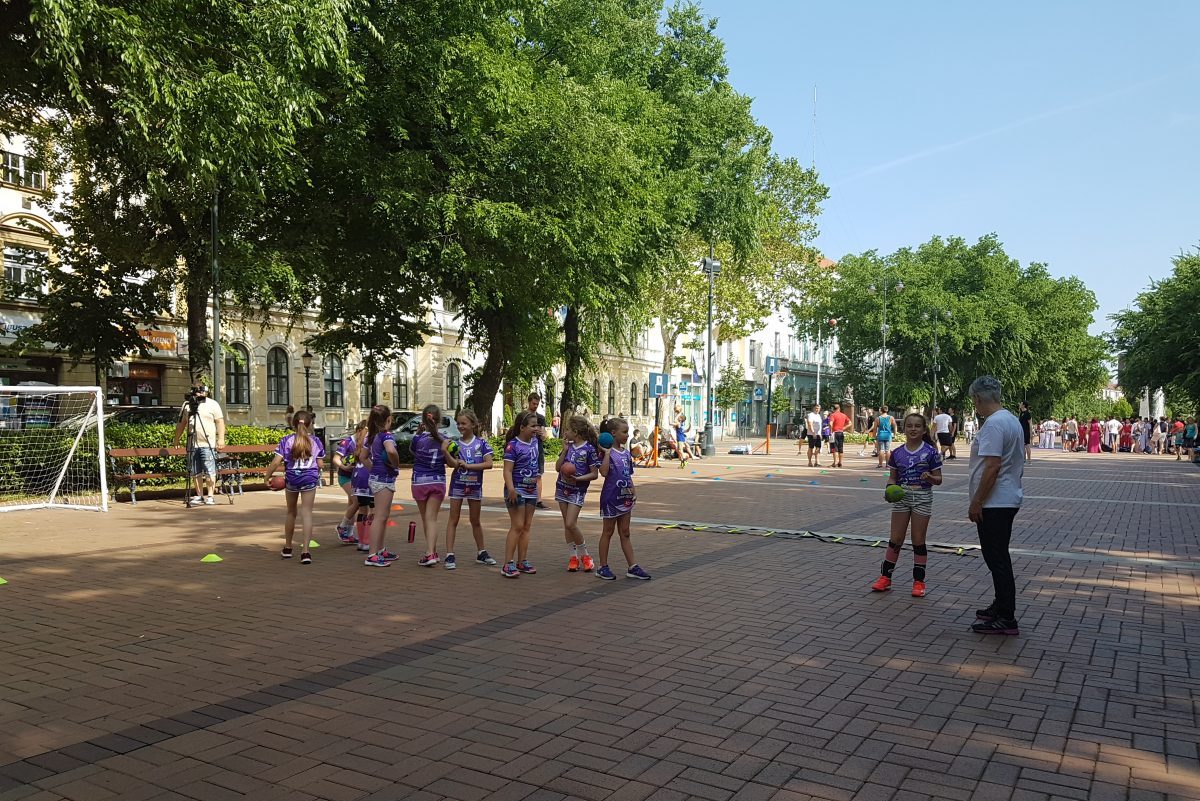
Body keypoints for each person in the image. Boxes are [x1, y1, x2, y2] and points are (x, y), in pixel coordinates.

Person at [967, 376, 1025, 635]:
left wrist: (977, 501)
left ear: (978, 398)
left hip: (995, 501)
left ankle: (1006, 616)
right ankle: (1001, 605)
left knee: (997, 558)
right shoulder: (1011, 419)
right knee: (997, 556)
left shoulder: (993, 424)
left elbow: (992, 466)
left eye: (974, 401)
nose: (975, 405)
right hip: (1006, 497)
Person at [871, 413, 943, 597]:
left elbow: (939, 479)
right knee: (896, 539)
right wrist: (889, 490)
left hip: (922, 497)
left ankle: (919, 581)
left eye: (917, 426)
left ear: (924, 430)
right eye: (909, 426)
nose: (913, 429)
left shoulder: (931, 452)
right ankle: (885, 578)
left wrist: (930, 477)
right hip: (901, 498)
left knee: (918, 539)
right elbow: (892, 478)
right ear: (904, 429)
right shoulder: (897, 453)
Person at [264, 410, 325, 564]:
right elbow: (320, 464)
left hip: (292, 478)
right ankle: (305, 552)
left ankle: (288, 547)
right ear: (310, 424)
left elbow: (276, 462)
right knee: (307, 513)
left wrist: (267, 477)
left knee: (291, 512)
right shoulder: (316, 441)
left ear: (293, 424)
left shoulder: (286, 440)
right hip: (309, 478)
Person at [595, 418, 650, 581]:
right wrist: (606, 453)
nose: (627, 435)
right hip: (611, 497)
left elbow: (628, 475)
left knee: (625, 532)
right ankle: (602, 567)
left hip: (625, 498)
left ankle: (633, 566)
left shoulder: (626, 454)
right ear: (613, 433)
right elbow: (604, 472)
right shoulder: (606, 453)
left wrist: (633, 491)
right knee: (608, 531)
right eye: (624, 432)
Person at [444, 409, 497, 569]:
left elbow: (489, 463)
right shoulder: (454, 444)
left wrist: (469, 466)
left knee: (475, 520)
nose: (460, 426)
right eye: (458, 423)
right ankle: (449, 554)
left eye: (464, 423)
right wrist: (445, 452)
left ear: (473, 425)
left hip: (475, 486)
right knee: (453, 519)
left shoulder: (481, 443)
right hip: (458, 485)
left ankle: (482, 552)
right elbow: (452, 464)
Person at [555, 415, 602, 573]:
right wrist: (564, 451)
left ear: (575, 432)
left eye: (568, 429)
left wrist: (578, 479)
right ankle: (573, 557)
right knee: (566, 524)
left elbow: (594, 474)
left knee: (571, 524)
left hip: (577, 491)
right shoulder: (568, 447)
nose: (565, 432)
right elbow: (558, 467)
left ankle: (585, 555)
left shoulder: (589, 449)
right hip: (562, 487)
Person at [501, 410, 543, 578]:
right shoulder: (513, 445)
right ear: (522, 427)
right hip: (517, 489)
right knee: (517, 525)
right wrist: (511, 489)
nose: (536, 428)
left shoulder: (535, 442)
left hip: (531, 490)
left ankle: (522, 560)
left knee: (526, 526)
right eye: (532, 426)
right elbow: (507, 470)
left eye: (537, 425)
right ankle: (507, 563)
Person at [172, 383, 226, 506]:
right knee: (195, 471)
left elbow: (220, 422)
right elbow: (181, 424)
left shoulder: (213, 404)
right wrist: (176, 439)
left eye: (202, 391)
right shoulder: (187, 405)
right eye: (197, 391)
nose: (200, 394)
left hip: (208, 443)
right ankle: (199, 495)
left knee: (209, 470)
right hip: (192, 444)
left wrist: (221, 439)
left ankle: (210, 496)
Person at [360, 404, 401, 567]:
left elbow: (363, 457)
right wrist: (395, 464)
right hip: (384, 479)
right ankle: (372, 554)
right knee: (380, 517)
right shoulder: (386, 436)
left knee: (382, 516)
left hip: (377, 477)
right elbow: (391, 451)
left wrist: (373, 470)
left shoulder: (371, 436)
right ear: (388, 419)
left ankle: (380, 549)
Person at [410, 404, 449, 567]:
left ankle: (430, 552)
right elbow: (448, 458)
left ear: (423, 421)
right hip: (438, 480)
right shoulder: (445, 439)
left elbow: (412, 452)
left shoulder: (418, 439)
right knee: (432, 518)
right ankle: (432, 551)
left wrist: (417, 433)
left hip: (419, 481)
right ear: (439, 420)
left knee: (426, 519)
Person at [332, 421, 367, 544]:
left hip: (357, 477)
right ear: (359, 431)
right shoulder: (347, 442)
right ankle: (342, 526)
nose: (367, 437)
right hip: (345, 477)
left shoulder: (365, 443)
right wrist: (344, 467)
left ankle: (349, 534)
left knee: (352, 505)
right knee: (357, 501)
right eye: (365, 433)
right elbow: (336, 459)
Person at [526, 393, 550, 509]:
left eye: (537, 404)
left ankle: (538, 500)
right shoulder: (524, 416)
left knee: (538, 474)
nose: (535, 406)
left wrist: (542, 434)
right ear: (529, 402)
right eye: (533, 403)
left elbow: (544, 436)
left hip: (538, 448)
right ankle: (525, 496)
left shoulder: (540, 418)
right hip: (526, 448)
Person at [827, 403, 850, 468]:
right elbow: (850, 423)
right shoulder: (843, 415)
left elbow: (830, 424)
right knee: (840, 448)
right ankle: (840, 462)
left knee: (834, 448)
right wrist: (843, 428)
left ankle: (835, 462)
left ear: (833, 409)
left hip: (834, 433)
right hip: (841, 433)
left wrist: (830, 431)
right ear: (839, 408)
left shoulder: (832, 415)